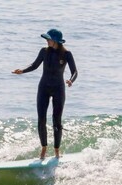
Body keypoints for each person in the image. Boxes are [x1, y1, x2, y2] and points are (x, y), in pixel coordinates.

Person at [12, 29, 78, 159]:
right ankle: (43, 149)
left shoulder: (66, 54)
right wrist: (22, 71)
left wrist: (71, 80)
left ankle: (57, 151)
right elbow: (35, 65)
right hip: (43, 88)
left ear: (56, 41)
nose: (47, 41)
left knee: (56, 121)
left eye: (49, 39)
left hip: (59, 89)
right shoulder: (44, 51)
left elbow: (75, 71)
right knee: (41, 119)